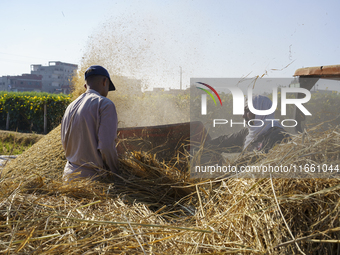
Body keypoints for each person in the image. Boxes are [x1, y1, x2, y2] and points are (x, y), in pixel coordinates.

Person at [61, 65, 119, 182]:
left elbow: (64, 143)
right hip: (93, 181)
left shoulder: (70, 106)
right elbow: (106, 147)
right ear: (105, 81)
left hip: (68, 178)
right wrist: (116, 173)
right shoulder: (105, 104)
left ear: (85, 86)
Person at [207, 95, 290, 153]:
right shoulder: (248, 133)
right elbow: (225, 142)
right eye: (244, 111)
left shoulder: (278, 137)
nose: (243, 115)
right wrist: (203, 146)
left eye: (247, 111)